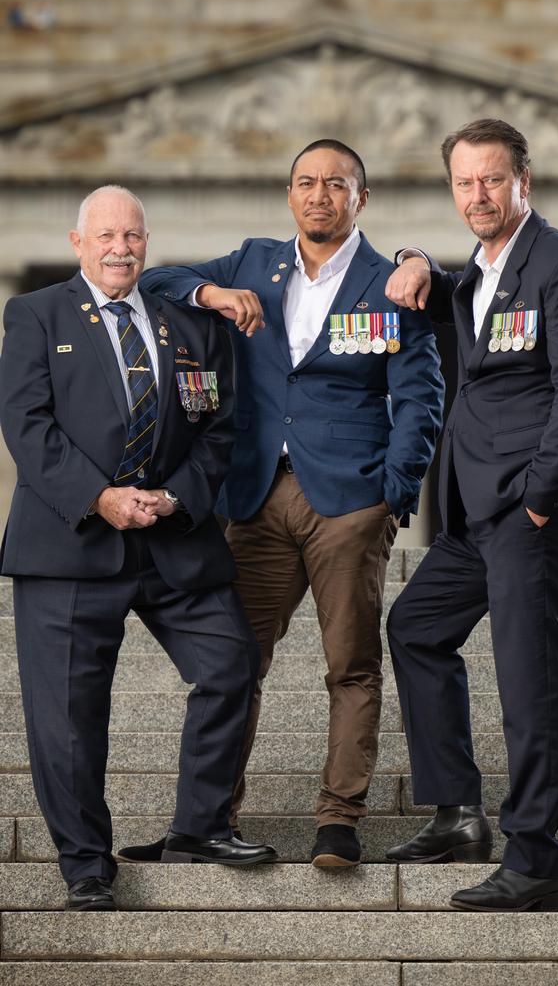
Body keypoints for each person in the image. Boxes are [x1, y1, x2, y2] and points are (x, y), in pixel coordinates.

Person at [118, 139, 444, 867]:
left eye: (336, 184)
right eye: (306, 182)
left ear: (362, 199)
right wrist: (211, 294)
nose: (319, 195)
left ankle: (338, 822)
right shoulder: (250, 262)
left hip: (349, 501)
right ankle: (203, 822)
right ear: (288, 193)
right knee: (232, 661)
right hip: (255, 496)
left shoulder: (390, 283)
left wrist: (393, 491)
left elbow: (422, 396)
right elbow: (158, 280)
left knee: (351, 665)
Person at [0, 186, 277, 912]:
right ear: (78, 241)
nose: (120, 247)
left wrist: (176, 497)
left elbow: (220, 429)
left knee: (230, 664)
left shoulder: (191, 324)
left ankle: (201, 826)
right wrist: (99, 497)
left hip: (173, 541)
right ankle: (86, 864)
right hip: (70, 543)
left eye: (133, 235)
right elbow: (27, 425)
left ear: (146, 243)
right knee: (67, 716)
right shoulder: (35, 315)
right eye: (106, 235)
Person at [384, 118, 558, 910]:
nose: (478, 195)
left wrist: (543, 502)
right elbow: (443, 289)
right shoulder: (478, 276)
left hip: (533, 505)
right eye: (464, 182)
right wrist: (411, 256)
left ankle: (534, 862)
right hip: (478, 511)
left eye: (492, 179)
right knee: (415, 627)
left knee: (530, 679)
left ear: (525, 181)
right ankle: (456, 813)